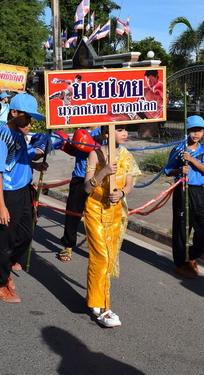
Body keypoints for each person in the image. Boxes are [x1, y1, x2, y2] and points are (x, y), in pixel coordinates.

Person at [0, 93, 48, 303]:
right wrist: (1, 205)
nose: (30, 122)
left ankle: (6, 266)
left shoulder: (19, 135)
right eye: (27, 117)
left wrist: (35, 165)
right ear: (14, 113)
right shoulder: (3, 137)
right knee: (5, 241)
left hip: (24, 191)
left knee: (25, 235)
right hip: (7, 194)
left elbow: (19, 159)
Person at [82, 125, 140, 327]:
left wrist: (122, 193)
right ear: (107, 132)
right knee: (101, 256)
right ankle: (103, 308)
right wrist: (104, 172)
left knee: (109, 258)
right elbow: (87, 187)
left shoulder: (127, 156)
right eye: (119, 129)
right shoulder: (95, 155)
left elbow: (129, 185)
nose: (124, 133)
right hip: (95, 210)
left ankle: (95, 299)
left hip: (115, 212)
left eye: (126, 130)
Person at [165, 115, 204, 279]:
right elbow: (168, 170)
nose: (196, 134)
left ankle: (191, 255)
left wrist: (191, 159)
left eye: (199, 130)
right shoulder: (178, 150)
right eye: (193, 130)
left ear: (203, 132)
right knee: (182, 228)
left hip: (199, 191)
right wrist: (180, 170)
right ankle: (181, 263)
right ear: (187, 131)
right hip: (183, 190)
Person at [56, 127, 101, 263]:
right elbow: (75, 151)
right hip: (79, 177)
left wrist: (94, 146)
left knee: (98, 217)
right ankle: (68, 246)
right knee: (72, 214)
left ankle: (98, 249)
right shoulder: (79, 131)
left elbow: (115, 152)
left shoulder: (105, 130)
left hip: (99, 179)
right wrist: (64, 144)